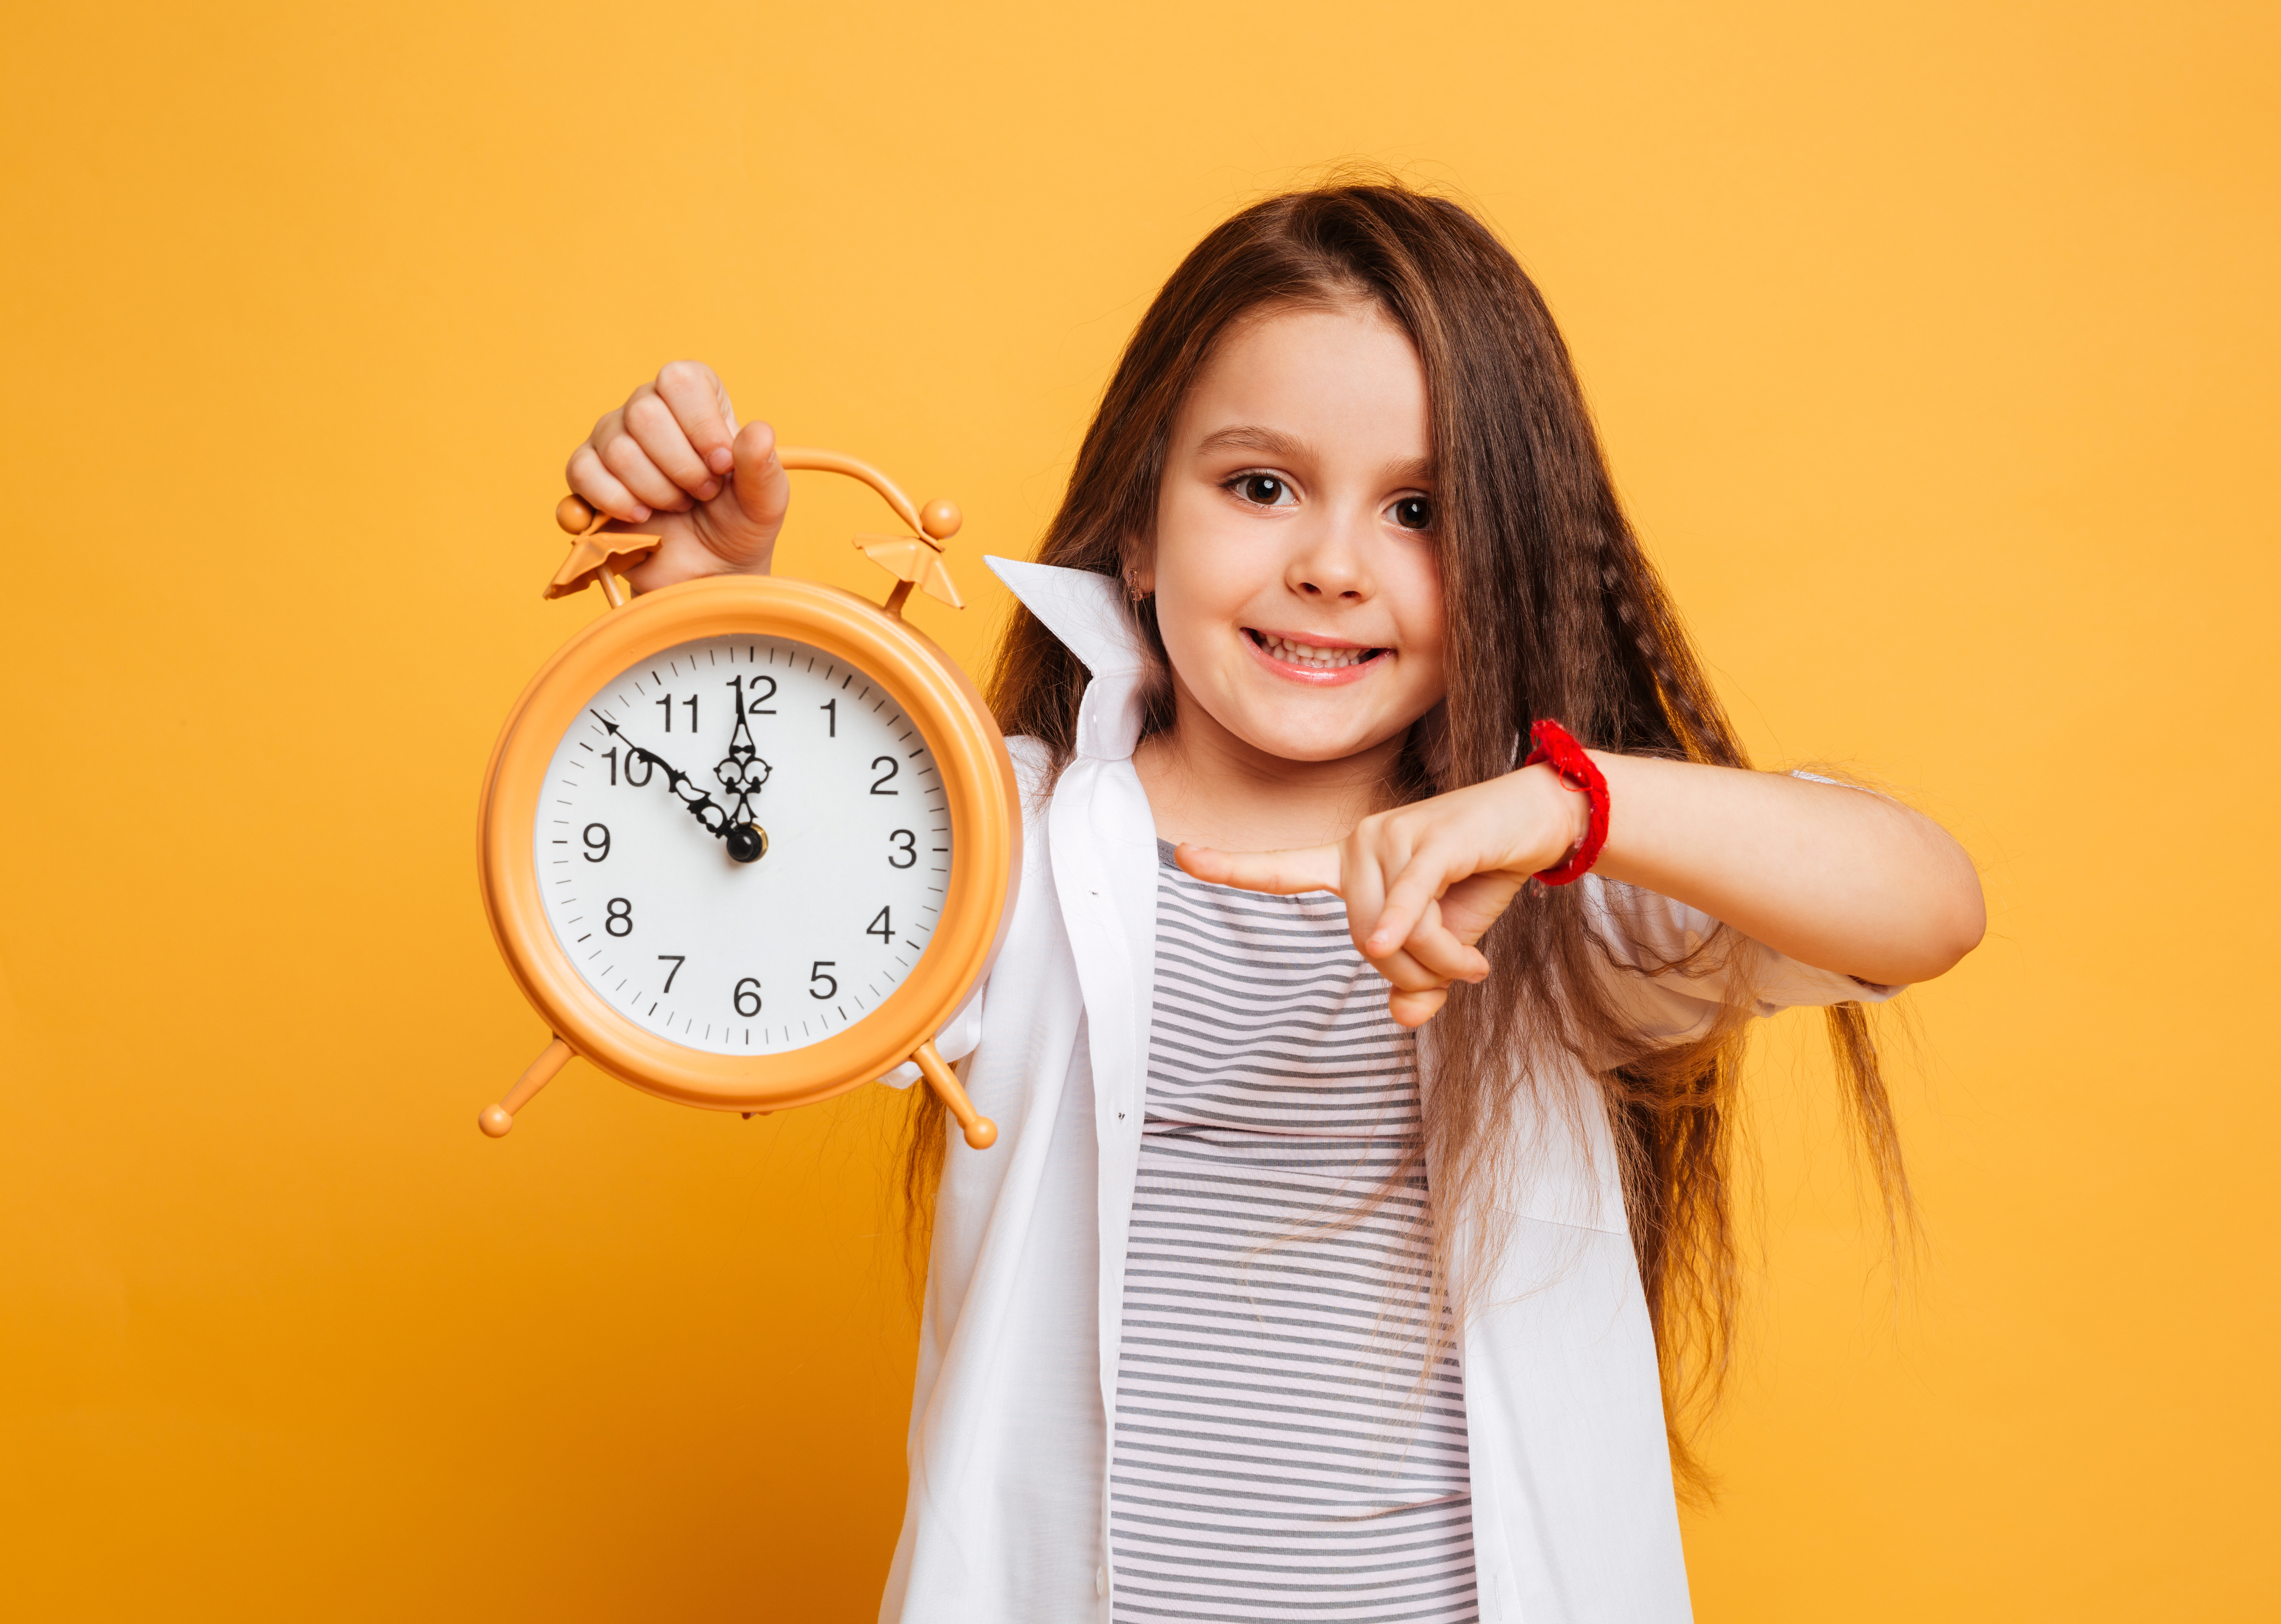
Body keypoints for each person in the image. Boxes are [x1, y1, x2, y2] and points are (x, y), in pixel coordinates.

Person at [562, 180, 1984, 1624]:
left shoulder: (1550, 886)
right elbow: (722, 906)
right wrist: (703, 615)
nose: (1328, 565)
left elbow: (1924, 905)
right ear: (1138, 530)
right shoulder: (996, 829)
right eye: (1260, 486)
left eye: (1420, 511)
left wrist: (1567, 808)